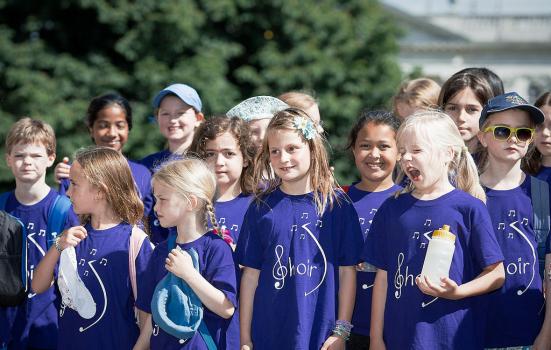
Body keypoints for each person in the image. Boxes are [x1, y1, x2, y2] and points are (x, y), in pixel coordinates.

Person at [364, 111, 505, 350]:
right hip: (400, 339)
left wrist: (457, 292)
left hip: (455, 339)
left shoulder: (468, 208)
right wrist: (376, 338)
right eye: (402, 151)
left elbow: (496, 274)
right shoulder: (392, 208)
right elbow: (383, 277)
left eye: (417, 150)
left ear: (448, 154)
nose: (406, 158)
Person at [236, 108, 364, 350]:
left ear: (312, 147)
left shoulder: (336, 205)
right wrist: (245, 339)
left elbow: (347, 273)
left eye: (292, 148)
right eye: (275, 151)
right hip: (268, 336)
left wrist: (341, 333)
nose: (283, 158)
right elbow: (250, 277)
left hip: (322, 337)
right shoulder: (260, 207)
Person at [32, 147, 154, 350]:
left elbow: (148, 316)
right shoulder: (71, 237)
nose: (68, 191)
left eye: (74, 184)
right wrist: (57, 246)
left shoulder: (135, 242)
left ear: (100, 191)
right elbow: (37, 286)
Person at [138, 158, 238, 349]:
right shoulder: (160, 251)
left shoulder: (217, 248)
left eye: (163, 199)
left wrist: (189, 274)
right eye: (156, 199)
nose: (155, 207)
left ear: (190, 202)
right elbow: (154, 314)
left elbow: (226, 308)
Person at [476, 92, 549, 348]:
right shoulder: (463, 195)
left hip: (529, 335)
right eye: (502, 131)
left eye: (523, 133)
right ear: (482, 137)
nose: (513, 139)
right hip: (471, 332)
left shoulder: (543, 195)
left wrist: (546, 335)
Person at [0, 118, 79, 350]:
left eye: (35, 156)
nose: (27, 162)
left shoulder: (65, 209)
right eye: (19, 155)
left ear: (50, 159)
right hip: (6, 324)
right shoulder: (2, 207)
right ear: (8, 160)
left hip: (51, 324)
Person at [53, 93, 154, 233]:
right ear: (91, 129)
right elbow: (67, 218)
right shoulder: (74, 173)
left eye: (120, 125)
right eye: (103, 125)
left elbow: (143, 221)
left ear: (128, 128)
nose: (112, 133)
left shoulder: (142, 174)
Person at [343, 110, 402, 350]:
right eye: (365, 145)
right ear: (354, 150)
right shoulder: (338, 200)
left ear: (400, 152)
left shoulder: (408, 201)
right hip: (345, 329)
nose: (374, 154)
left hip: (395, 326)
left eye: (384, 146)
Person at [189, 116, 256, 246]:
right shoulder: (189, 203)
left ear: (246, 159)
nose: (219, 162)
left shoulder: (259, 203)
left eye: (229, 154)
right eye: (210, 154)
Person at [140, 83, 205, 171]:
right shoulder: (146, 166)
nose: (172, 120)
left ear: (198, 118)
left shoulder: (210, 160)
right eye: (165, 113)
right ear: (157, 118)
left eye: (181, 113)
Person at [439, 71, 497, 154]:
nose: (461, 117)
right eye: (453, 108)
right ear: (442, 110)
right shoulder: (431, 156)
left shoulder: (497, 159)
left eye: (472, 109)